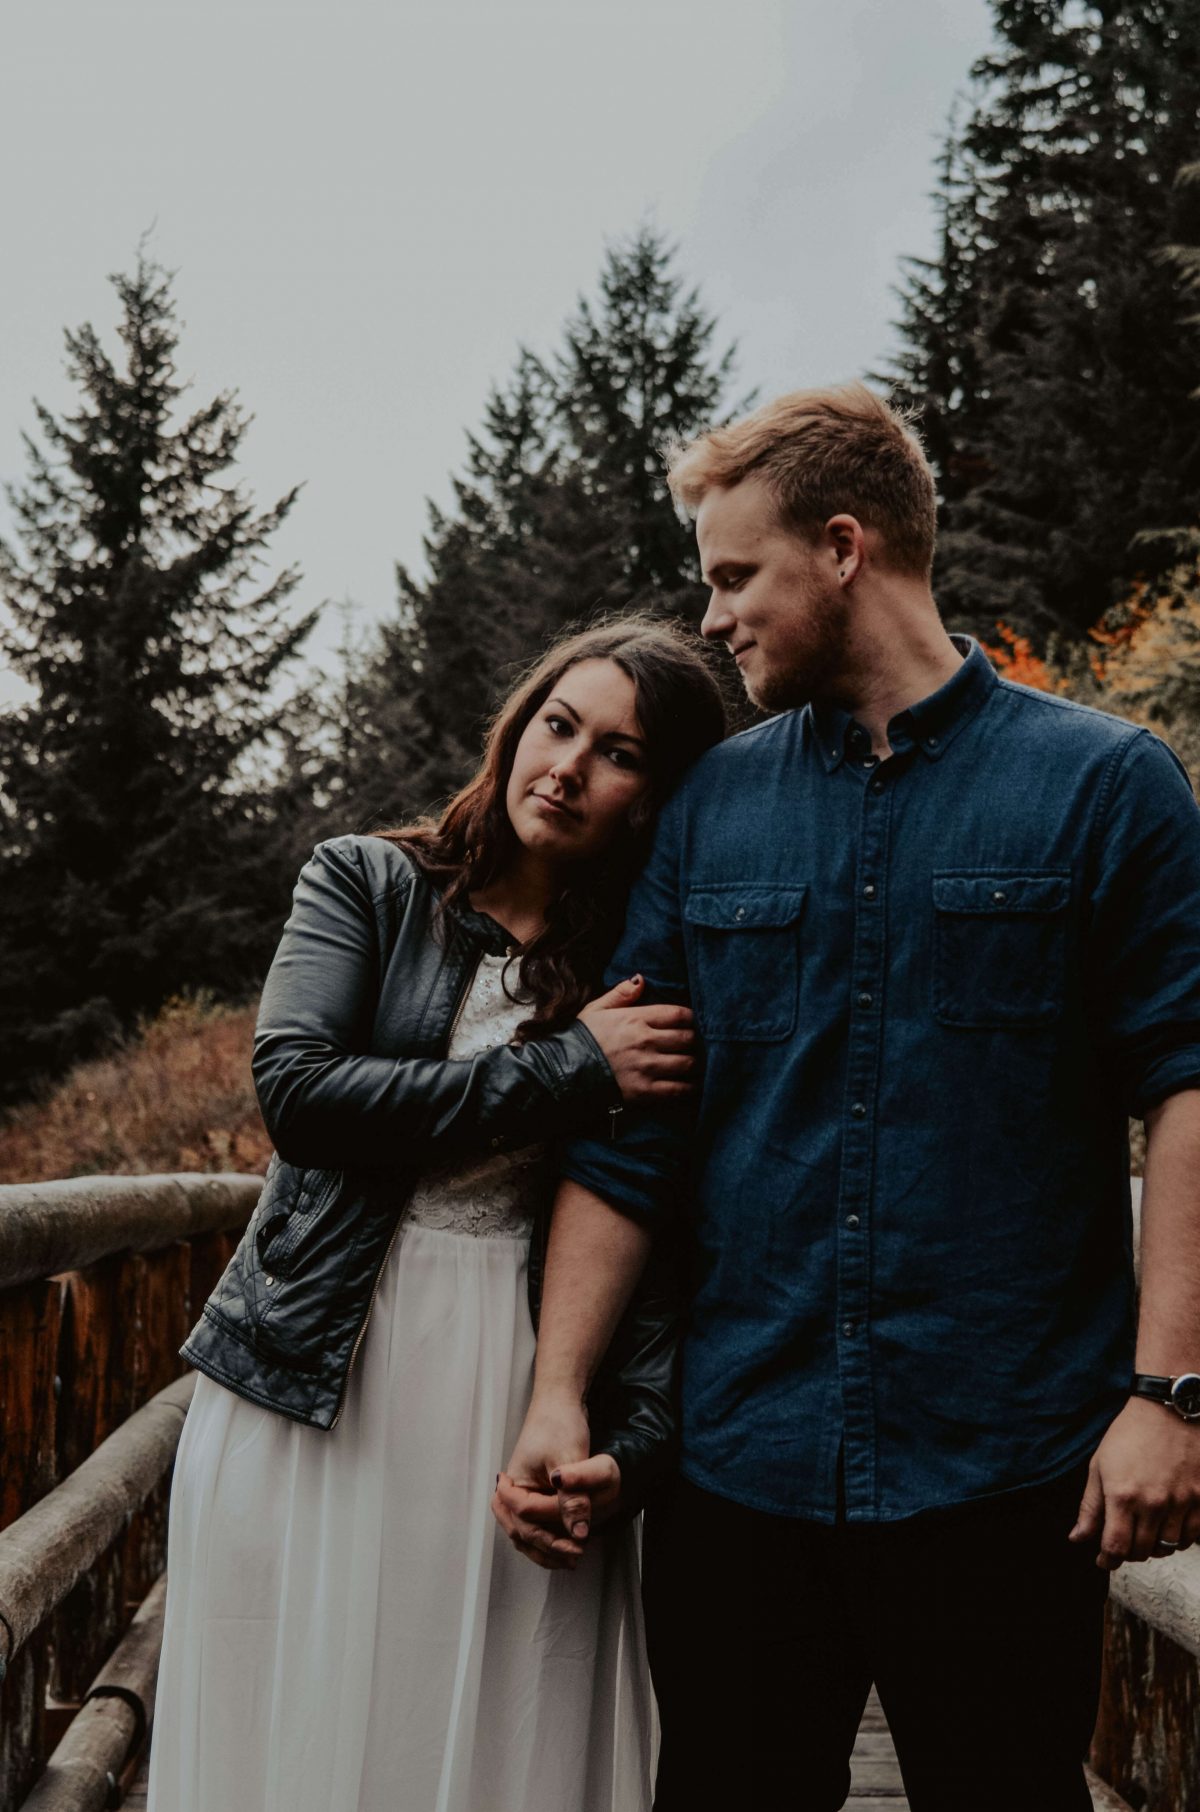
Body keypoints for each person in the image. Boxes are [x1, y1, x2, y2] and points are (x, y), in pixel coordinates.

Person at [496, 384, 1200, 1812]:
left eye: (735, 576)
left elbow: (1187, 1091)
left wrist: (1171, 1396)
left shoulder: (1108, 787)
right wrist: (557, 1395)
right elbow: (638, 1138)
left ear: (842, 547)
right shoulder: (709, 811)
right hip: (740, 1465)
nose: (714, 619)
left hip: (1006, 1465)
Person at [147, 616, 726, 1812]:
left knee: (479, 1721)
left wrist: (642, 1437)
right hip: (321, 1368)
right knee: (301, 1709)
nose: (565, 766)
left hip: (515, 1376)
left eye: (617, 753)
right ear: (517, 726)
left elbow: (657, 1219)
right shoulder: (369, 879)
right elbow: (302, 1097)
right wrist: (570, 1069)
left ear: (656, 795)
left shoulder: (646, 962)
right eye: (557, 725)